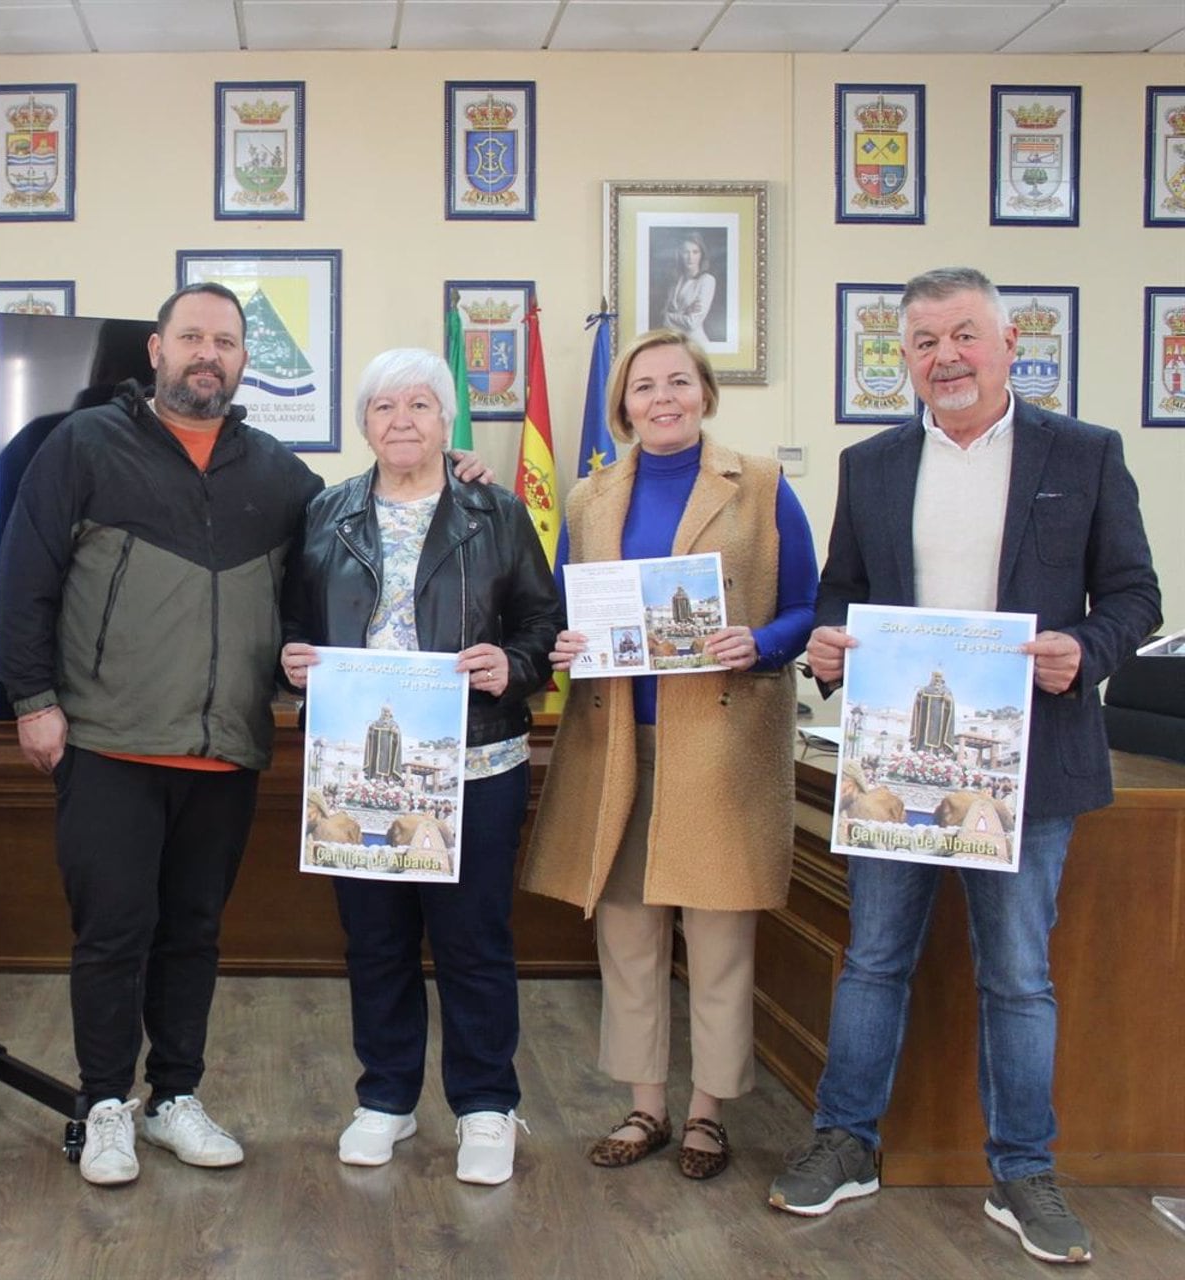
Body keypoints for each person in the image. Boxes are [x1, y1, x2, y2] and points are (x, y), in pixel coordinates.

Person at [0, 284, 488, 1188]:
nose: (207, 355)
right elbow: (23, 573)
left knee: (193, 933)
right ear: (156, 348)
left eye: (225, 342)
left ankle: (173, 1097)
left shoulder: (276, 472)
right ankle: (103, 1103)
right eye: (192, 337)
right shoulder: (84, 445)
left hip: (226, 748)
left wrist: (442, 474)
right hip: (107, 738)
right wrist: (33, 698)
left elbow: (363, 518)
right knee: (112, 932)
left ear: (241, 361)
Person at [766, 268, 1160, 1266]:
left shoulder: (1086, 453)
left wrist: (1088, 650)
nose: (946, 356)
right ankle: (845, 1141)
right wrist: (825, 639)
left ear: (1008, 343)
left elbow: (1135, 595)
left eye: (964, 336)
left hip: (1030, 762)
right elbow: (841, 592)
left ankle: (1023, 1171)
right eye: (925, 342)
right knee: (873, 960)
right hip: (898, 760)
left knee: (1019, 975)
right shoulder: (875, 464)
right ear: (905, 359)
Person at [520, 328, 816, 1182]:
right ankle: (646, 1104)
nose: (663, 398)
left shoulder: (759, 485)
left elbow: (808, 603)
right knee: (627, 931)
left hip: (719, 742)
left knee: (719, 934)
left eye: (679, 382)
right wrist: (567, 642)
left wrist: (756, 641)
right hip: (615, 743)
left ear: (704, 392)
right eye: (645, 386)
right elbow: (565, 602)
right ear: (623, 405)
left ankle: (708, 1115)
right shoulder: (588, 496)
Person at [279, 348, 563, 1186]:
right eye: (383, 407)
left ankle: (484, 1106)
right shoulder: (323, 513)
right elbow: (289, 624)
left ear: (446, 421)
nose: (401, 420)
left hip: (476, 760)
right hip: (354, 767)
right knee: (375, 940)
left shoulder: (497, 511)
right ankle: (387, 1098)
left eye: (420, 405)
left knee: (473, 939)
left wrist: (514, 663)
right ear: (364, 424)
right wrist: (287, 663)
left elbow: (544, 624)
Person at [659, 232, 718, 346]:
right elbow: (663, 315)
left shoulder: (707, 280)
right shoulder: (675, 281)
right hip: (674, 342)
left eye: (695, 252)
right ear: (680, 254)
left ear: (701, 255)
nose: (690, 257)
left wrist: (668, 316)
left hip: (696, 343)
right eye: (686, 252)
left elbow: (692, 323)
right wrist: (683, 312)